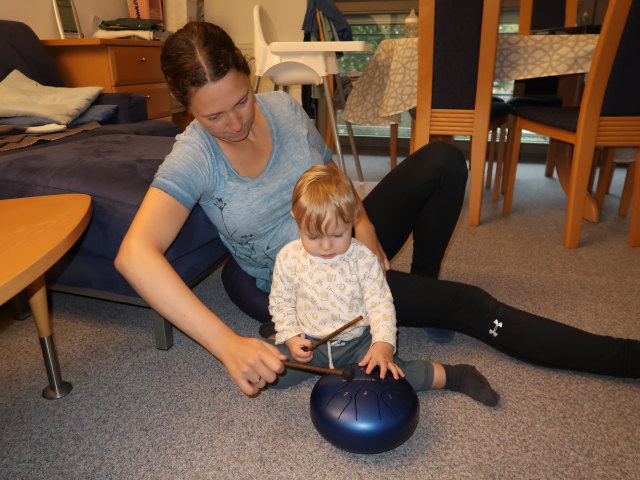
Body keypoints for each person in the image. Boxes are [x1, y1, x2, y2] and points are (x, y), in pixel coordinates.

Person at [114, 21, 639, 398]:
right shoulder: (192, 156)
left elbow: (332, 181)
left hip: (343, 234)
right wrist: (227, 345)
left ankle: (420, 287)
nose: (237, 123)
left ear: (252, 80)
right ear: (185, 108)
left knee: (442, 159)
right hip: (308, 276)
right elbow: (135, 255)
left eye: (242, 101)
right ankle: (625, 358)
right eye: (215, 115)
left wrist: (364, 225)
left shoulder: (283, 108)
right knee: (472, 305)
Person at [267, 164, 500, 406]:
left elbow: (380, 305)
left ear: (352, 219)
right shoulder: (288, 257)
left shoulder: (363, 258)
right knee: (270, 373)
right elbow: (281, 302)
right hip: (310, 342)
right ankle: (279, 335)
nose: (326, 247)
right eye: (313, 237)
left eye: (337, 235)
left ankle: (454, 375)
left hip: (358, 343)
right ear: (297, 220)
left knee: (393, 376)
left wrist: (382, 344)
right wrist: (292, 336)